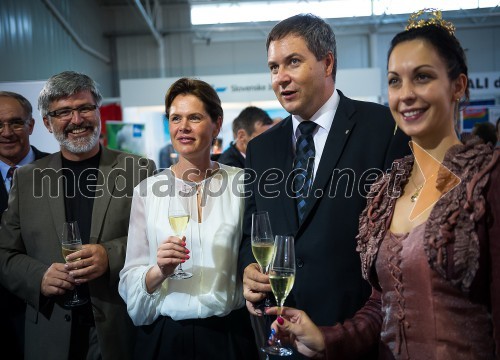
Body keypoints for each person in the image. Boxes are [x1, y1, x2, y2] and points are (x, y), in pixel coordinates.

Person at [267, 9, 499, 359]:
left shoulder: (487, 182)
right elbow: (383, 305)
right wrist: (326, 339)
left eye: (422, 77)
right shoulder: (388, 191)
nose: (405, 94)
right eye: (394, 81)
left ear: (459, 86)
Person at [238, 13, 410, 359]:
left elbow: (398, 240)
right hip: (282, 336)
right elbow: (251, 229)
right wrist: (248, 268)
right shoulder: (261, 148)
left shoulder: (383, 129)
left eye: (293, 62)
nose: (281, 78)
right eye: (273, 67)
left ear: (327, 62)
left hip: (357, 336)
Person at [0, 71, 156, 360]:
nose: (76, 120)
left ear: (98, 111)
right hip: (50, 331)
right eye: (63, 112)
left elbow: (157, 239)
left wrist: (110, 255)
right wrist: (38, 276)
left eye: (84, 108)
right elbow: (5, 253)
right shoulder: (27, 179)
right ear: (47, 123)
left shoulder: (138, 170)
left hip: (119, 329)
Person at [119, 77, 258, 360]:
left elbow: (254, 253)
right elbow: (130, 278)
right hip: (165, 338)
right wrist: (159, 270)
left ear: (217, 124)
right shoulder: (146, 191)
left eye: (194, 117)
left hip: (228, 336)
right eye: (175, 118)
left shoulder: (243, 184)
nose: (183, 127)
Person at [0, 91, 49, 359]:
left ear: (31, 125)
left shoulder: (62, 171)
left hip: (53, 312)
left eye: (16, 123)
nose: (7, 132)